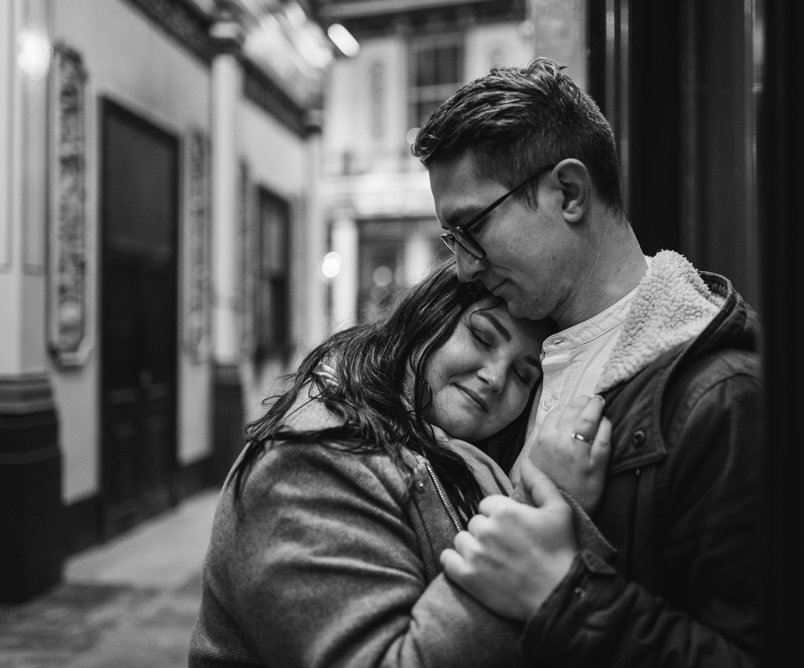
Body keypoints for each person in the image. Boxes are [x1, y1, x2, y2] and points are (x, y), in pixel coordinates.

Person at [412, 56, 764, 666]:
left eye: (472, 228)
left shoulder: (719, 396)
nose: (464, 265)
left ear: (568, 193)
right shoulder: (522, 355)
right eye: (453, 240)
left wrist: (563, 595)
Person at [188, 258, 613, 667]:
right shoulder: (312, 463)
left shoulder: (455, 456)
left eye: (524, 375)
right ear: (427, 318)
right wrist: (544, 506)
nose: (496, 377)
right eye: (483, 338)